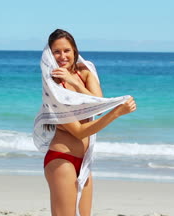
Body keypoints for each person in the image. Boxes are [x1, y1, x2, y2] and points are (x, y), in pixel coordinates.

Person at [43, 29, 137, 216]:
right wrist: (117, 112)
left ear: (75, 50)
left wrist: (76, 83)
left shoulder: (84, 72)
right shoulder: (54, 85)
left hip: (84, 161)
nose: (62, 56)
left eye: (67, 50)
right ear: (50, 54)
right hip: (62, 159)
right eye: (57, 51)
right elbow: (79, 131)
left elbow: (99, 104)